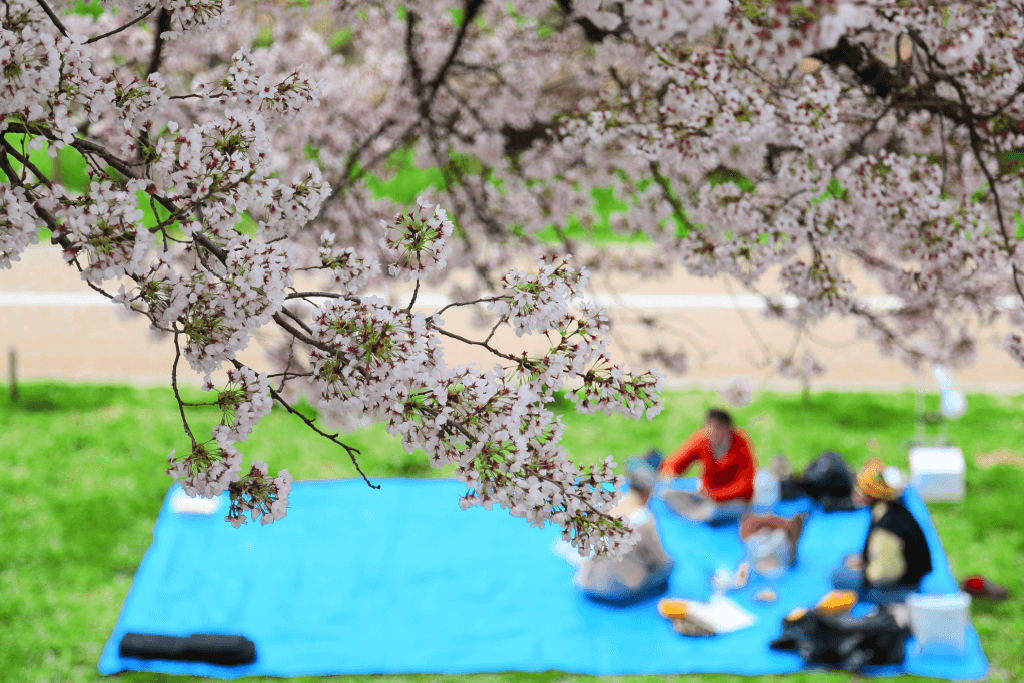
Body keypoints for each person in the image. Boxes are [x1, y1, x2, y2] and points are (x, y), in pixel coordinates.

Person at [830, 458, 933, 604]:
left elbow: (884, 575)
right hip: (906, 573)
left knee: (838, 576)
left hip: (904, 589)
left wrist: (865, 570)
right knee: (847, 558)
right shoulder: (890, 508)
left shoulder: (886, 530)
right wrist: (865, 560)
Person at [572, 461, 675, 603]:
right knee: (667, 568)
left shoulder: (607, 505)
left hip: (586, 583)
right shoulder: (644, 518)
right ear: (647, 494)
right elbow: (660, 561)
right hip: (616, 591)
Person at [658, 408, 757, 524]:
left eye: (717, 428)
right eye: (708, 427)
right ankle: (698, 514)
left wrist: (716, 495)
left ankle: (699, 515)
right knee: (667, 494)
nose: (712, 432)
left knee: (717, 511)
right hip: (705, 495)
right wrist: (669, 471)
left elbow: (745, 484)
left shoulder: (741, 445)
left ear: (728, 429)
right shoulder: (702, 439)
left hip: (732, 500)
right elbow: (678, 460)